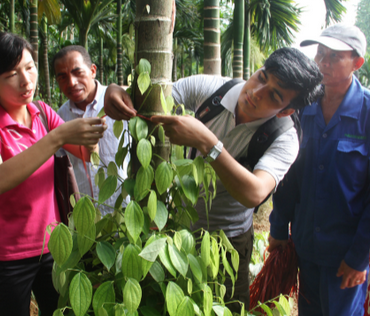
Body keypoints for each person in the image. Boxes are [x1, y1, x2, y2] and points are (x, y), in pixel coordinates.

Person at [104, 47, 324, 312]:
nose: (256, 92)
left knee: (227, 306)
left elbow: (254, 192)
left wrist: (208, 143)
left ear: (285, 111)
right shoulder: (210, 90)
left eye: (274, 95)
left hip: (229, 241)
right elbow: (148, 100)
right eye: (262, 77)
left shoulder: (285, 139)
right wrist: (116, 92)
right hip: (175, 229)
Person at [0, 33, 107, 316]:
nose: (26, 80)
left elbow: (84, 151)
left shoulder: (42, 113)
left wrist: (108, 97)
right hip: (9, 258)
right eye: (11, 74)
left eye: (29, 67)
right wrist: (55, 139)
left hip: (54, 249)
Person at [269, 24, 369, 316]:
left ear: (357, 63)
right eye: (320, 54)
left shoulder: (366, 113)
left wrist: (359, 258)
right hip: (306, 247)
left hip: (345, 257)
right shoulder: (303, 108)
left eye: (334, 56)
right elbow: (288, 177)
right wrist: (278, 228)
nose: (323, 62)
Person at [53, 46, 128, 216]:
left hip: (124, 209)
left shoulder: (119, 102)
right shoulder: (60, 118)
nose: (71, 82)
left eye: (77, 72)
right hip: (86, 216)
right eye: (63, 77)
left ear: (93, 70)